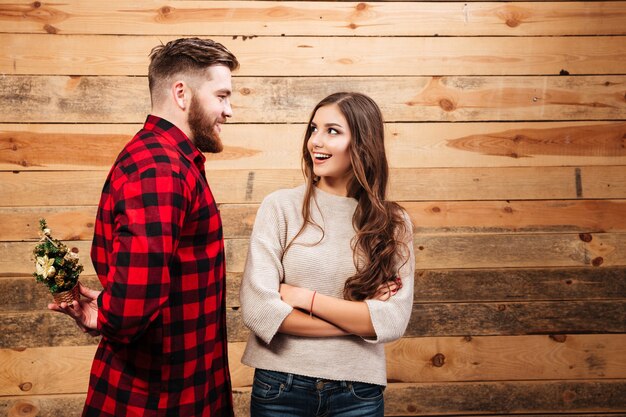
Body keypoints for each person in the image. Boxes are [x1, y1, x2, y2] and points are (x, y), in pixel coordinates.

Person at [48, 37, 239, 417]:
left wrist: (105, 312)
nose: (228, 111)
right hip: (157, 399)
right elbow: (133, 304)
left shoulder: (163, 159)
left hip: (180, 387)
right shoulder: (160, 169)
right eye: (221, 96)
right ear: (181, 93)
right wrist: (107, 315)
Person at [239, 92, 415, 416]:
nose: (315, 141)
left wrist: (304, 298)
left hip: (358, 392)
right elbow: (258, 311)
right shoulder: (279, 207)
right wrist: (359, 318)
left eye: (332, 131)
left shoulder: (393, 223)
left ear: (362, 143)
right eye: (313, 129)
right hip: (280, 388)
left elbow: (391, 321)